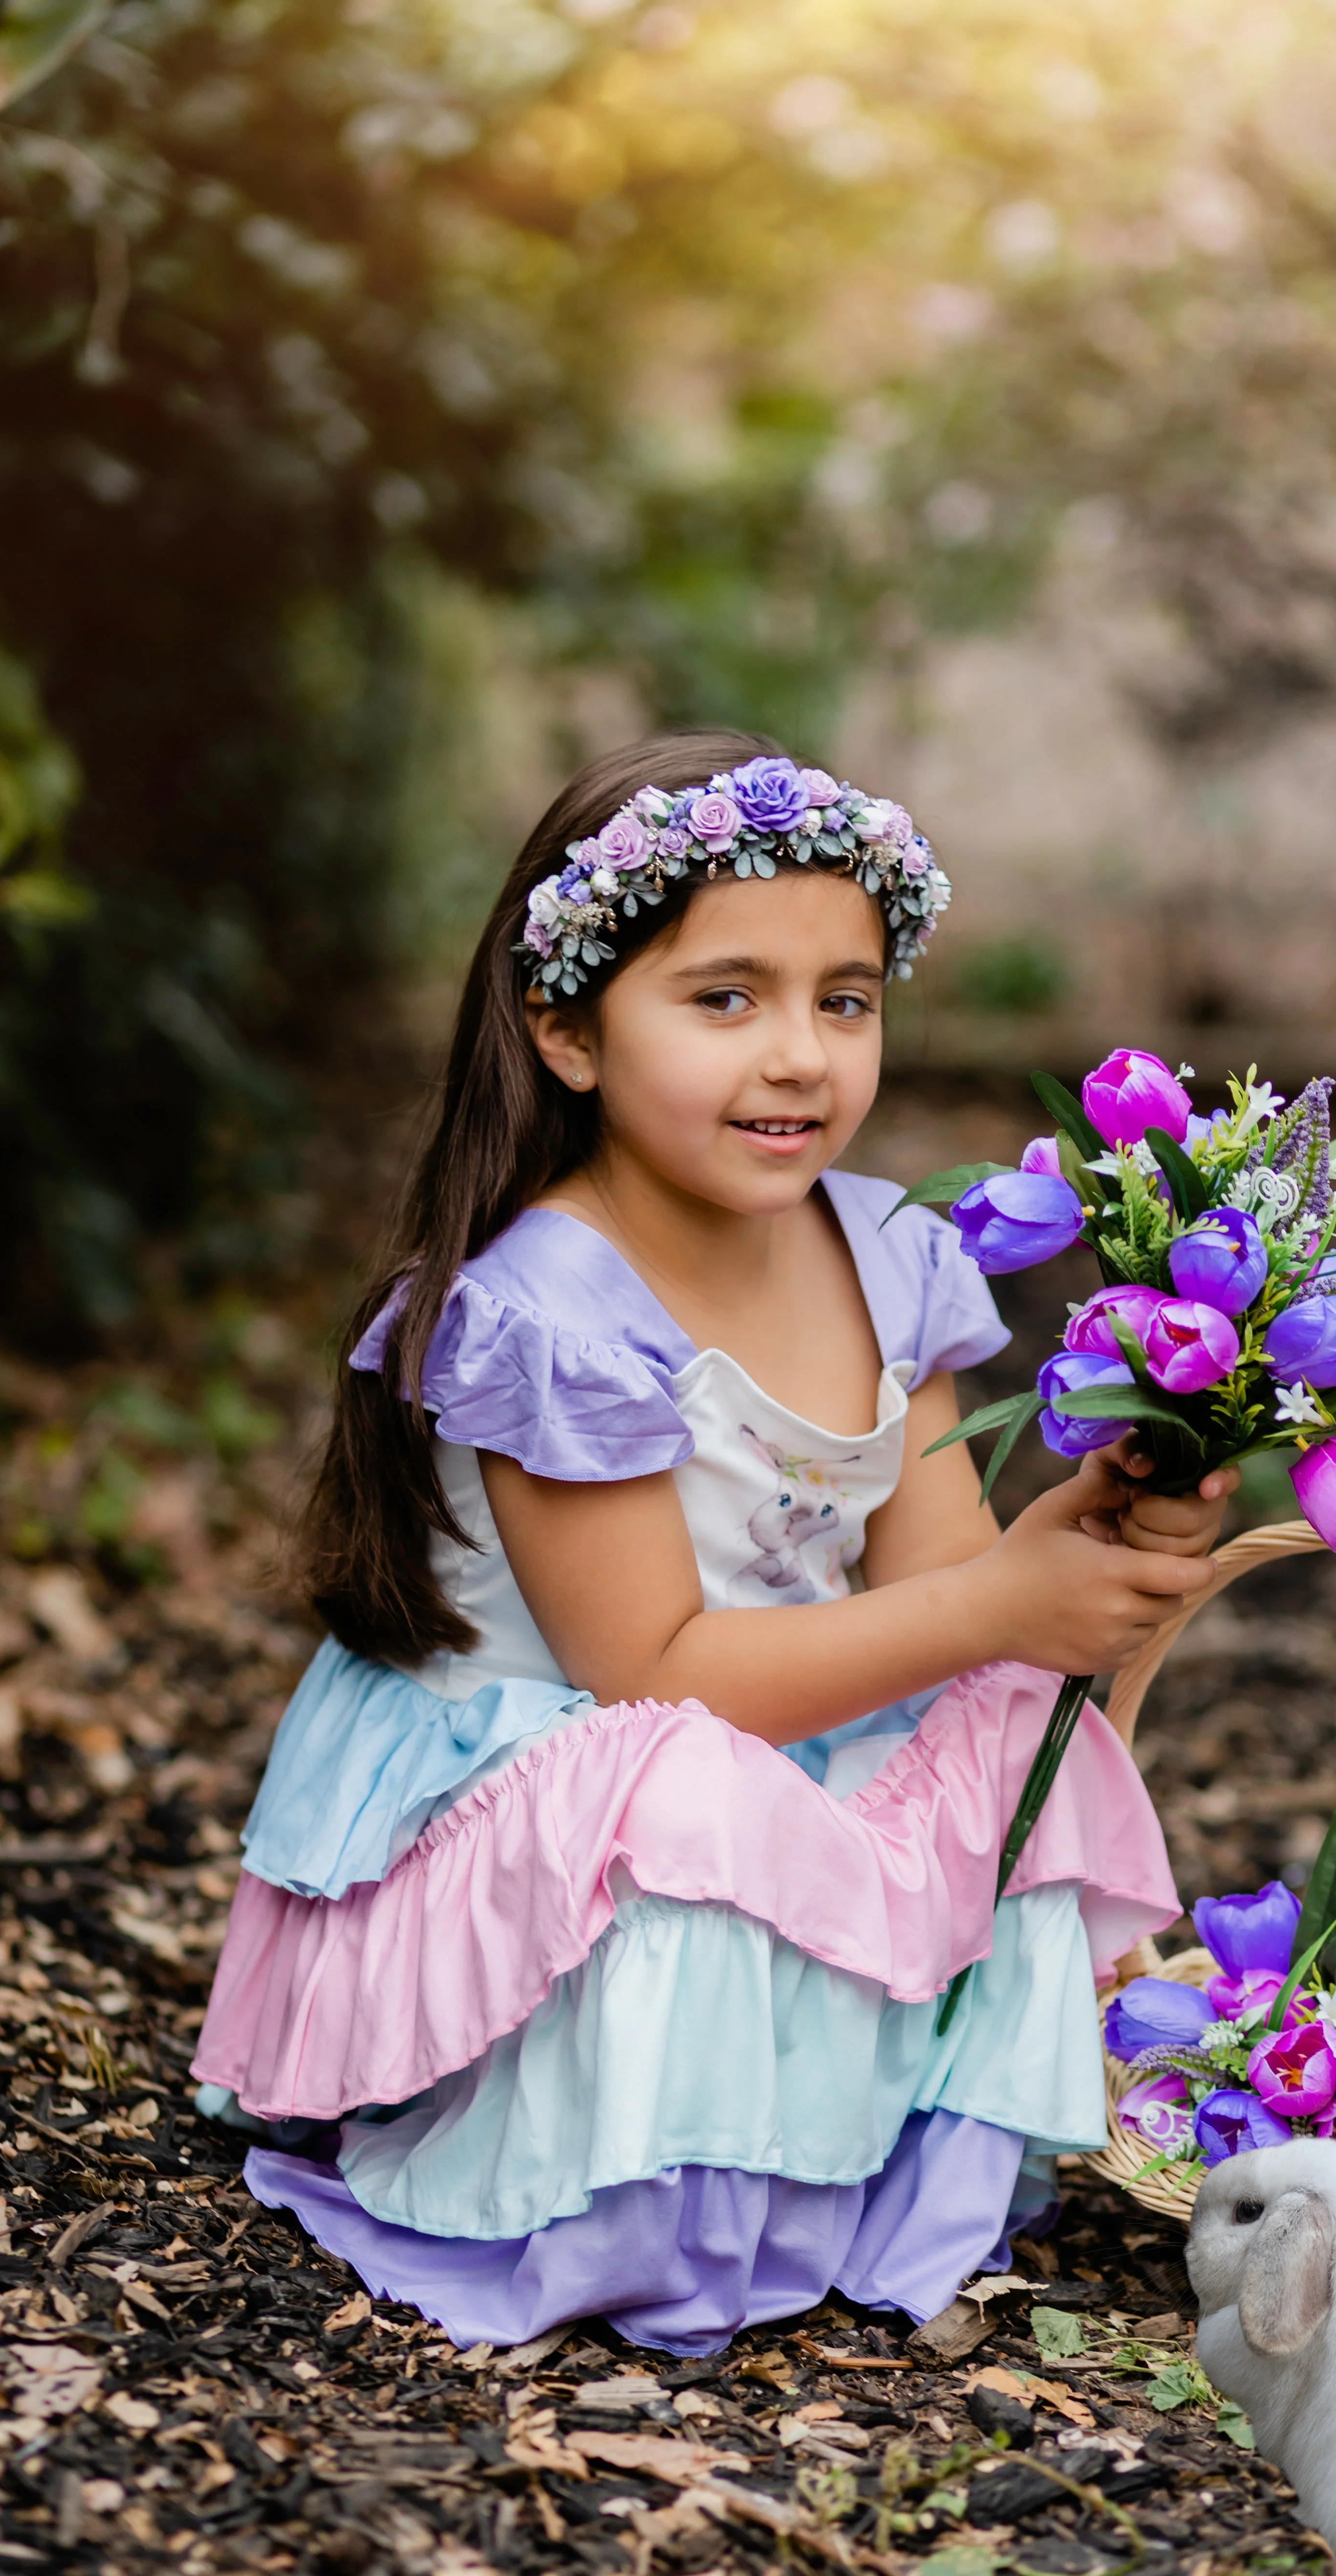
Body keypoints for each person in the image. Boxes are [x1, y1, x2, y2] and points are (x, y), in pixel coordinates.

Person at [192, 728, 1233, 2357]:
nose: (801, 1057)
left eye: (847, 999)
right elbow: (650, 1676)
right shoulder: (549, 1306)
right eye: (725, 998)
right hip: (566, 1764)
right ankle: (650, 2173)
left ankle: (853, 2150)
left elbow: (935, 1594)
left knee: (1009, 1719)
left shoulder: (893, 1248)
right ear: (570, 1031)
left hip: (769, 1723)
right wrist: (998, 1610)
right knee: (681, 1785)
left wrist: (1084, 1548)